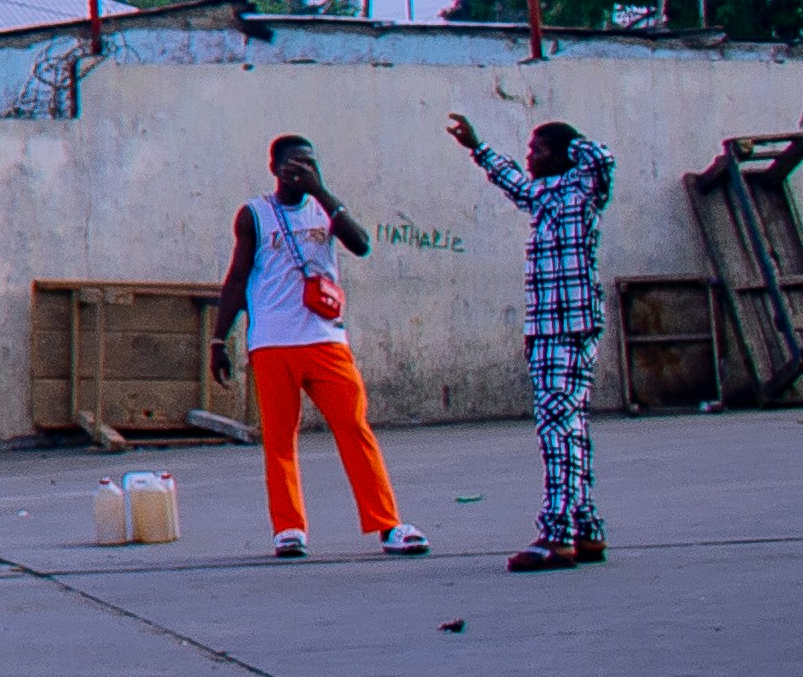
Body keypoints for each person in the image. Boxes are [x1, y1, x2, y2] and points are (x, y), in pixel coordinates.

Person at [216, 132, 427, 560]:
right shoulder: (254, 214)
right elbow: (237, 277)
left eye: (309, 163)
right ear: (274, 168)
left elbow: (361, 244)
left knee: (354, 428)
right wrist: (220, 338)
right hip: (272, 341)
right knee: (279, 439)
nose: (301, 169)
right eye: (293, 163)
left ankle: (387, 524)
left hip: (326, 339)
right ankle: (289, 529)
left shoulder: (326, 208)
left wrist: (322, 192)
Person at [452, 108, 618, 571]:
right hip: (551, 328)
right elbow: (512, 182)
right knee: (571, 425)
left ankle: (556, 534)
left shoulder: (585, 188)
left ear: (564, 155)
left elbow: (601, 158)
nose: (529, 157)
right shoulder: (547, 195)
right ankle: (586, 527)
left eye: (538, 149)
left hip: (566, 327)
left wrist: (571, 143)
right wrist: (477, 147)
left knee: (556, 428)